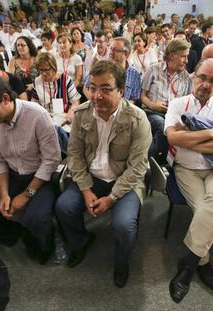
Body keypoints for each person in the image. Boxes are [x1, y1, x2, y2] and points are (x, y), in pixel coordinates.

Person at [55, 60, 152, 288]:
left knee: (124, 226)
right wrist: (86, 189)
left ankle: (121, 261)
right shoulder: (82, 114)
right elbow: (75, 155)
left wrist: (111, 198)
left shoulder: (137, 119)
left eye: (106, 89)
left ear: (121, 91)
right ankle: (80, 241)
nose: (97, 95)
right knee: (64, 207)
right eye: (92, 87)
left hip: (124, 181)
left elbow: (138, 167)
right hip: (91, 178)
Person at [0, 72, 61, 264]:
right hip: (12, 176)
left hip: (41, 178)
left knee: (37, 219)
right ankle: (22, 234)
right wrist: (3, 194)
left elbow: (51, 161)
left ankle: (46, 241)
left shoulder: (36, 115)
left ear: (4, 99)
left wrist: (26, 195)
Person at [165, 58, 213, 303]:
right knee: (205, 210)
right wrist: (211, 133)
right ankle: (203, 265)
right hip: (186, 169)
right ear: (193, 76)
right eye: (202, 77)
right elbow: (172, 139)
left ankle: (188, 265)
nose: (206, 84)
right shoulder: (177, 104)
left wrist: (190, 138)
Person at [141, 39, 192, 159]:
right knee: (162, 125)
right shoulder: (154, 70)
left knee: (177, 128)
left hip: (174, 116)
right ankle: (165, 160)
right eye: (183, 56)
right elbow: (142, 96)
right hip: (151, 112)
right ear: (172, 55)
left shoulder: (186, 77)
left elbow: (186, 104)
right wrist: (153, 105)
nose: (187, 60)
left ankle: (149, 159)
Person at [32, 52, 81, 126]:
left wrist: (71, 111)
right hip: (45, 121)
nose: (44, 74)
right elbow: (35, 105)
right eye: (41, 70)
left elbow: (75, 101)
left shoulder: (65, 80)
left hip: (64, 121)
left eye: (46, 69)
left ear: (53, 67)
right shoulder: (37, 82)